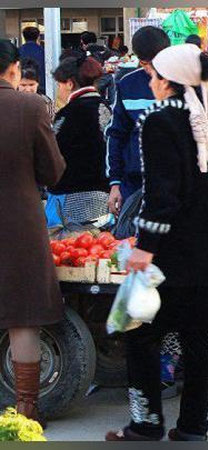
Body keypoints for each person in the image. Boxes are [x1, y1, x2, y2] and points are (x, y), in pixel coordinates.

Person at [105, 43, 208, 442]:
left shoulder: (158, 121)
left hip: (168, 254)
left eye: (154, 74)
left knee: (140, 334)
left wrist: (144, 249)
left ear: (170, 80)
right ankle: (194, 426)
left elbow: (161, 198)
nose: (150, 80)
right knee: (196, 339)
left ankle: (145, 423)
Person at [0, 38, 65, 426]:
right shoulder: (30, 106)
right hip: (17, 220)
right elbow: (53, 171)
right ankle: (27, 409)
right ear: (13, 71)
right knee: (23, 316)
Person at [106, 26, 171, 216]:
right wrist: (115, 183)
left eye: (158, 62)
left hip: (177, 184)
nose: (152, 70)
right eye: (145, 63)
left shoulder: (188, 84)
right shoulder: (127, 84)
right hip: (134, 183)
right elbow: (116, 134)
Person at [46, 54, 111, 227]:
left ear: (69, 83)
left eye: (59, 84)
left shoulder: (67, 114)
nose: (59, 89)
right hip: (104, 195)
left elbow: (52, 154)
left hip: (68, 197)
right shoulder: (106, 108)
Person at [19, 26, 45, 93]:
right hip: (41, 86)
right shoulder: (43, 51)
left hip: (21, 86)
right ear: (38, 37)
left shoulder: (18, 51)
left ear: (24, 37)